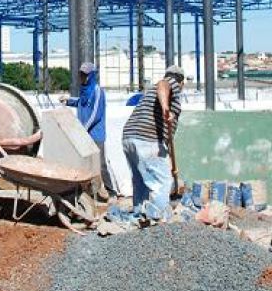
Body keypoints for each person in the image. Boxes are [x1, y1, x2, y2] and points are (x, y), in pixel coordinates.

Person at [121, 64, 185, 224]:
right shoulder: (171, 83)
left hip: (130, 137)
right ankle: (159, 220)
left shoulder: (150, 91)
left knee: (140, 181)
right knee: (162, 182)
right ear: (182, 83)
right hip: (147, 138)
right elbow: (164, 85)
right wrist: (165, 108)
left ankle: (139, 216)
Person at [60, 62, 115, 200]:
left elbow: (95, 114)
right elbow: (81, 102)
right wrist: (68, 101)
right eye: (81, 74)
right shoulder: (84, 90)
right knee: (85, 165)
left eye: (85, 75)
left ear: (91, 75)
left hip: (95, 135)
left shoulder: (97, 91)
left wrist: (83, 129)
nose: (82, 77)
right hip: (84, 134)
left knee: (100, 164)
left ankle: (111, 191)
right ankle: (90, 192)